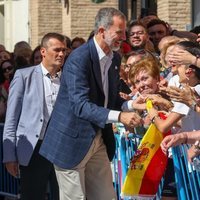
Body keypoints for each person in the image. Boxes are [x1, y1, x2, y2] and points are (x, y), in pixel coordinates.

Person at [40, 7, 142, 200]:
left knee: (106, 196)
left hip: (97, 138)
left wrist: (133, 105)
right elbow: (80, 105)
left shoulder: (115, 58)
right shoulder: (79, 59)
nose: (124, 37)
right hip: (70, 141)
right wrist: (121, 117)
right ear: (102, 31)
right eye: (119, 32)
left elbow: (110, 99)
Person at [3, 32, 67, 200]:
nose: (61, 54)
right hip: (33, 149)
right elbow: (11, 118)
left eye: (64, 50)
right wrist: (9, 155)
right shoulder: (24, 76)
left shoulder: (69, 79)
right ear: (43, 51)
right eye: (57, 50)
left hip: (62, 149)